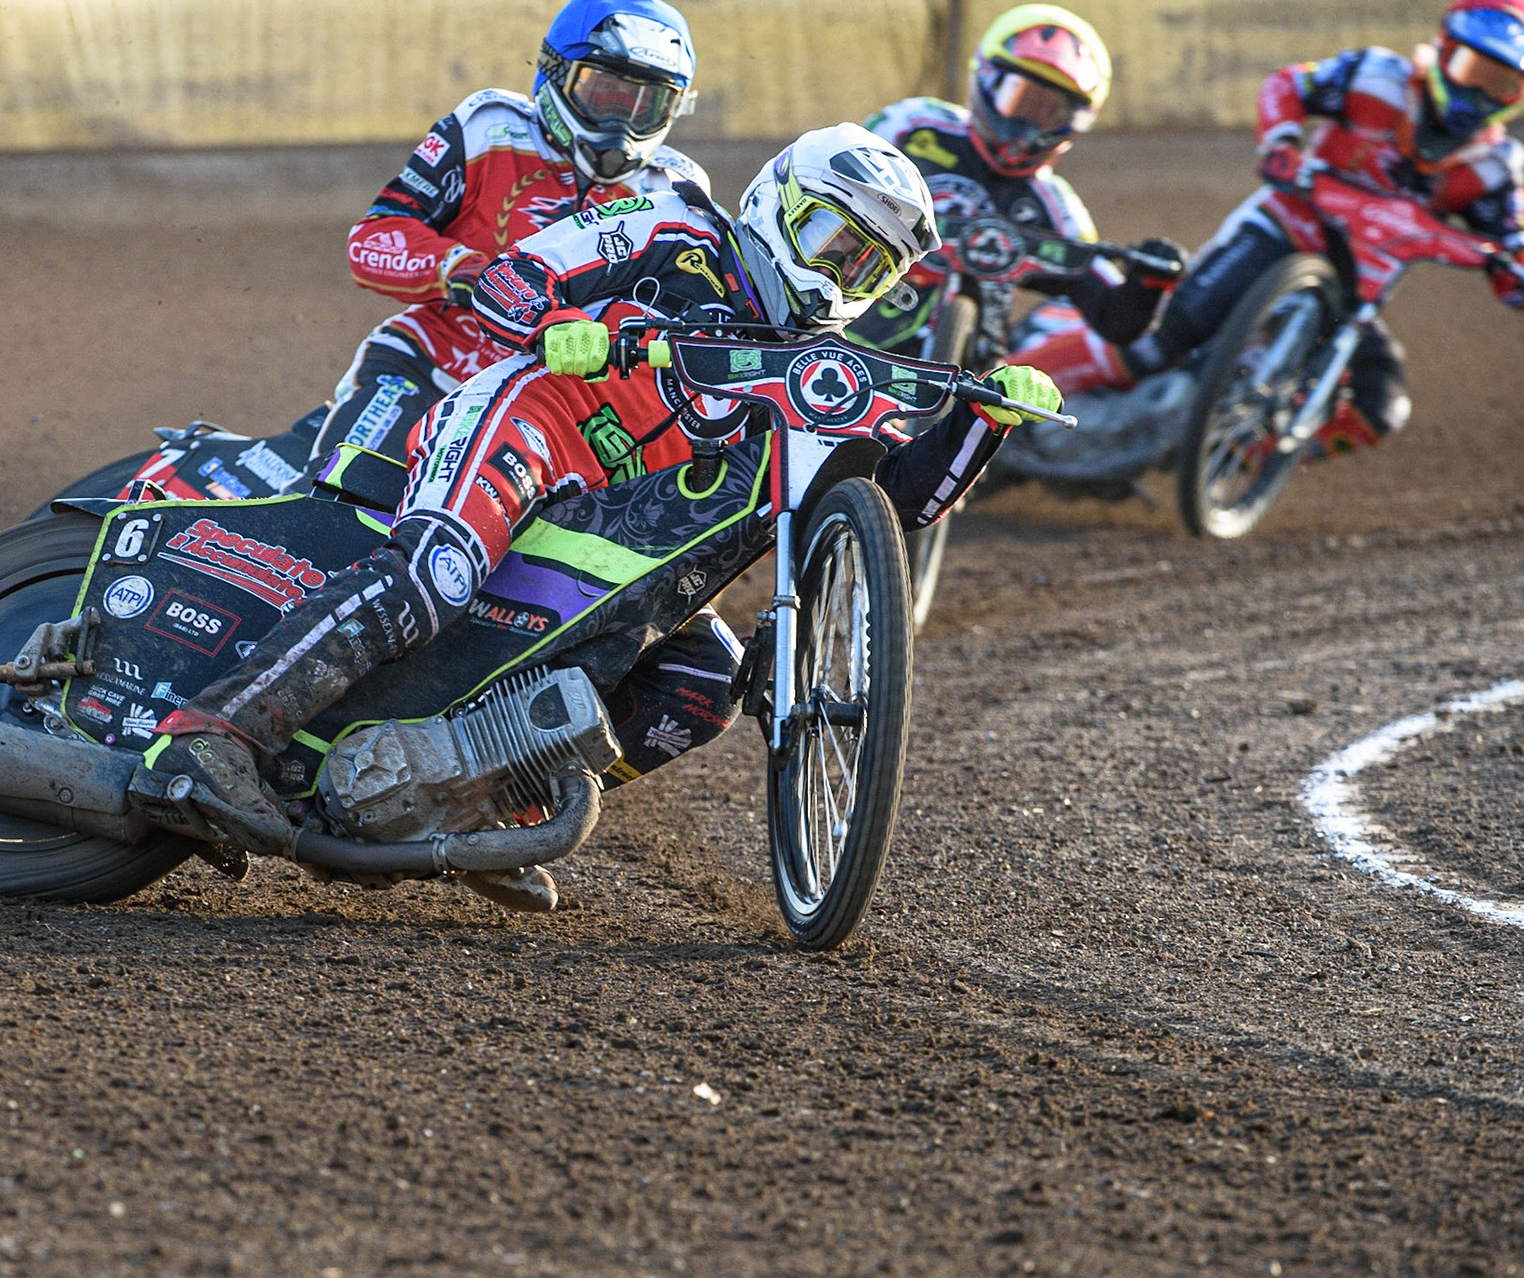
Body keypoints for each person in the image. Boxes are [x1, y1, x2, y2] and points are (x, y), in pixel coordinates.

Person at [143, 125, 1061, 895]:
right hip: (538, 423)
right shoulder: (670, 223)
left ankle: (480, 809)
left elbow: (899, 504)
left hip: (627, 527)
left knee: (703, 681)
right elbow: (516, 278)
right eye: (833, 242)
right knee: (436, 574)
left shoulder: (821, 375)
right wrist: (565, 323)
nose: (842, 277)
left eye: (870, 268)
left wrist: (984, 420)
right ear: (780, 203)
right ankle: (211, 734)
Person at [1111, 0, 1524, 455]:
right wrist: (1281, 143)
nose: (1478, 93)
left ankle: (1235, 464)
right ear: (1443, 49)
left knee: (1381, 406)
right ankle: (1052, 393)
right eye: (1472, 69)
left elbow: (1511, 243)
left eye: (1500, 83)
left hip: (1353, 292)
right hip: (1284, 229)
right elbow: (1288, 84)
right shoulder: (1376, 77)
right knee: (1165, 338)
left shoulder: (1496, 166)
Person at [313, 0, 709, 464]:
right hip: (431, 368)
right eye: (605, 93)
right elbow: (374, 239)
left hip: (553, 411)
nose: (622, 122)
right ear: (555, 71)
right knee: (338, 501)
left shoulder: (674, 190)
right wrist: (459, 269)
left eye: (648, 104)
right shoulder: (490, 128)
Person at [848, 5, 1185, 396]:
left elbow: (1114, 320)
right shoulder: (913, 125)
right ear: (986, 80)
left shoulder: (1056, 207)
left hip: (965, 367)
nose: (1027, 127)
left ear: (1074, 125)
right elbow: (826, 177)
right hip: (851, 305)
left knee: (997, 402)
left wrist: (1149, 284)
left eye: (1049, 114)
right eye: (1020, 100)